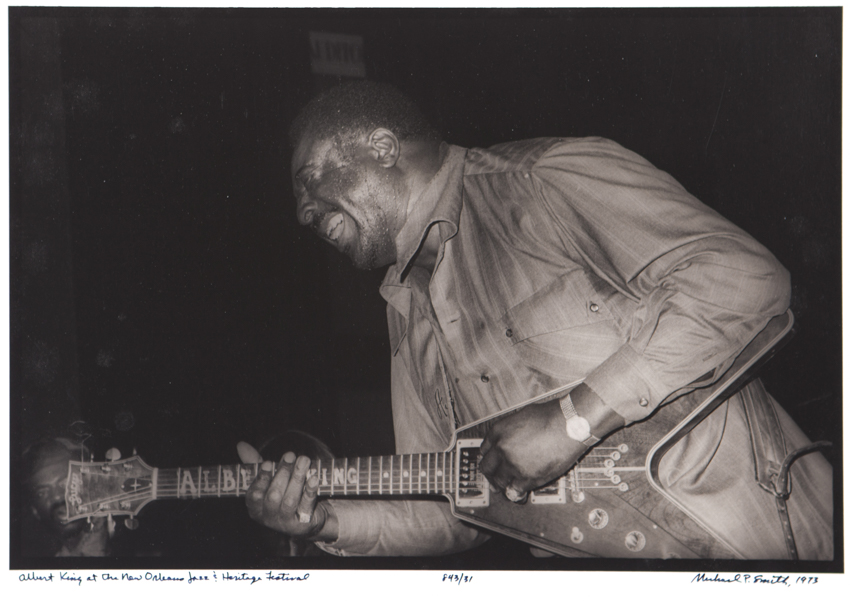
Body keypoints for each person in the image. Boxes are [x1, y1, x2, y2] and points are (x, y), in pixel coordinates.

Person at [238, 81, 833, 559]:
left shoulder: (543, 180)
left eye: (311, 180)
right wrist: (324, 520)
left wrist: (574, 419)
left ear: (384, 148)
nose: (302, 213)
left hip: (770, 544)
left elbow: (746, 278)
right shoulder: (406, 314)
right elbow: (456, 505)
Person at [22, 436, 111, 556]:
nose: (57, 497)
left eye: (66, 482)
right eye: (42, 492)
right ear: (35, 511)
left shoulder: (126, 548)